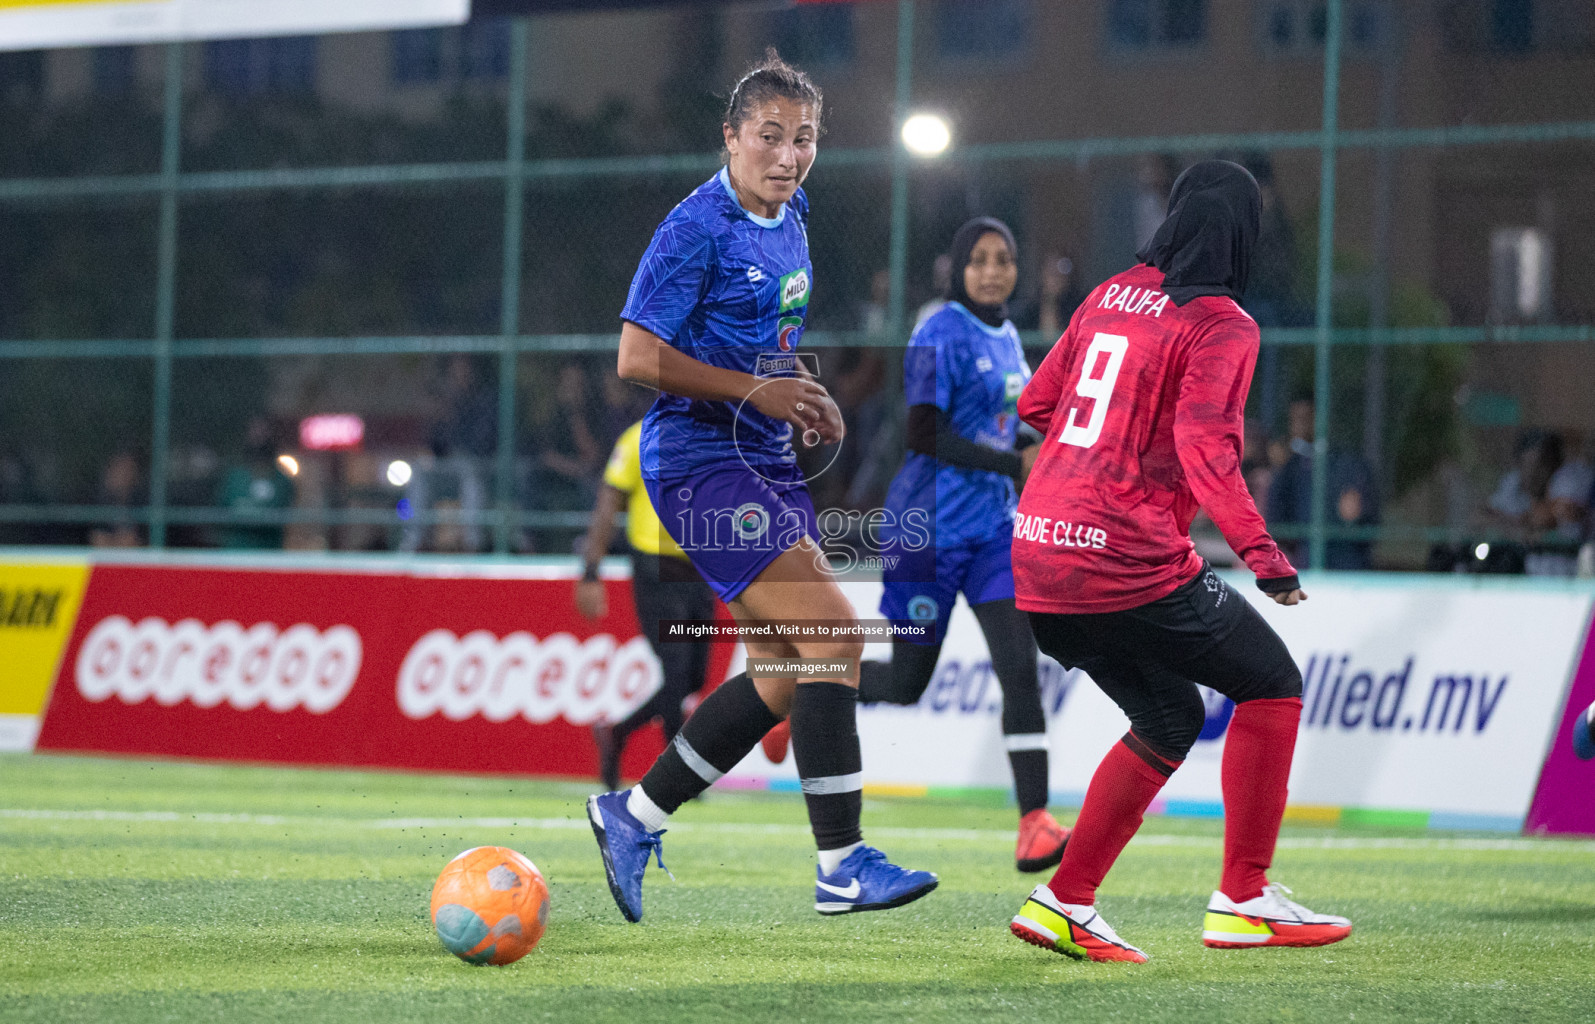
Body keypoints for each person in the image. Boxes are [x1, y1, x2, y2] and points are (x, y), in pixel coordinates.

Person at [585, 51, 937, 923]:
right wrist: (756, 392)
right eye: (770, 137)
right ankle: (841, 864)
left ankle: (631, 815)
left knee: (782, 673)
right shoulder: (693, 228)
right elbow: (634, 358)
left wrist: (800, 399)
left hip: (764, 458)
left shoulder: (793, 212)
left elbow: (763, 333)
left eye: (805, 138)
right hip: (698, 466)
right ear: (731, 138)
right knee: (834, 636)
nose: (789, 155)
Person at [1006, 161, 1352, 963]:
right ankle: (1244, 897)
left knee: (1169, 718)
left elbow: (1035, 404)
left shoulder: (1109, 293)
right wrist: (1262, 557)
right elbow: (1206, 447)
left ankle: (1063, 901)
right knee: (1270, 685)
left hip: (1037, 555)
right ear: (1240, 232)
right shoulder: (1222, 321)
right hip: (1121, 557)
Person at [861, 216, 1071, 874]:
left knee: (1019, 667)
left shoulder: (1008, 335)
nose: (991, 269)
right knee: (903, 683)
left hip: (989, 534)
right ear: (957, 268)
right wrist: (1015, 465)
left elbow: (1004, 428)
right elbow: (922, 435)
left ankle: (1034, 822)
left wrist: (1032, 454)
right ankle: (804, 681)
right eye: (977, 259)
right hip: (924, 532)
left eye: (1002, 258)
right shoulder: (935, 332)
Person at [576, 419, 716, 792]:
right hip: (655, 567)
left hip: (698, 568)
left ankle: (616, 732)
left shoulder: (714, 436)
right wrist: (591, 571)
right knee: (677, 673)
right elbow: (608, 503)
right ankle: (677, 775)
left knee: (694, 678)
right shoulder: (640, 438)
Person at [1265, 396, 1379, 570]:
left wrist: (1355, 513)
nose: (1299, 425)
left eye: (1305, 418)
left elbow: (1362, 517)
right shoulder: (1290, 467)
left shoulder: (1347, 462)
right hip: (1303, 563)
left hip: (1344, 564)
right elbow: (1276, 520)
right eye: (1295, 419)